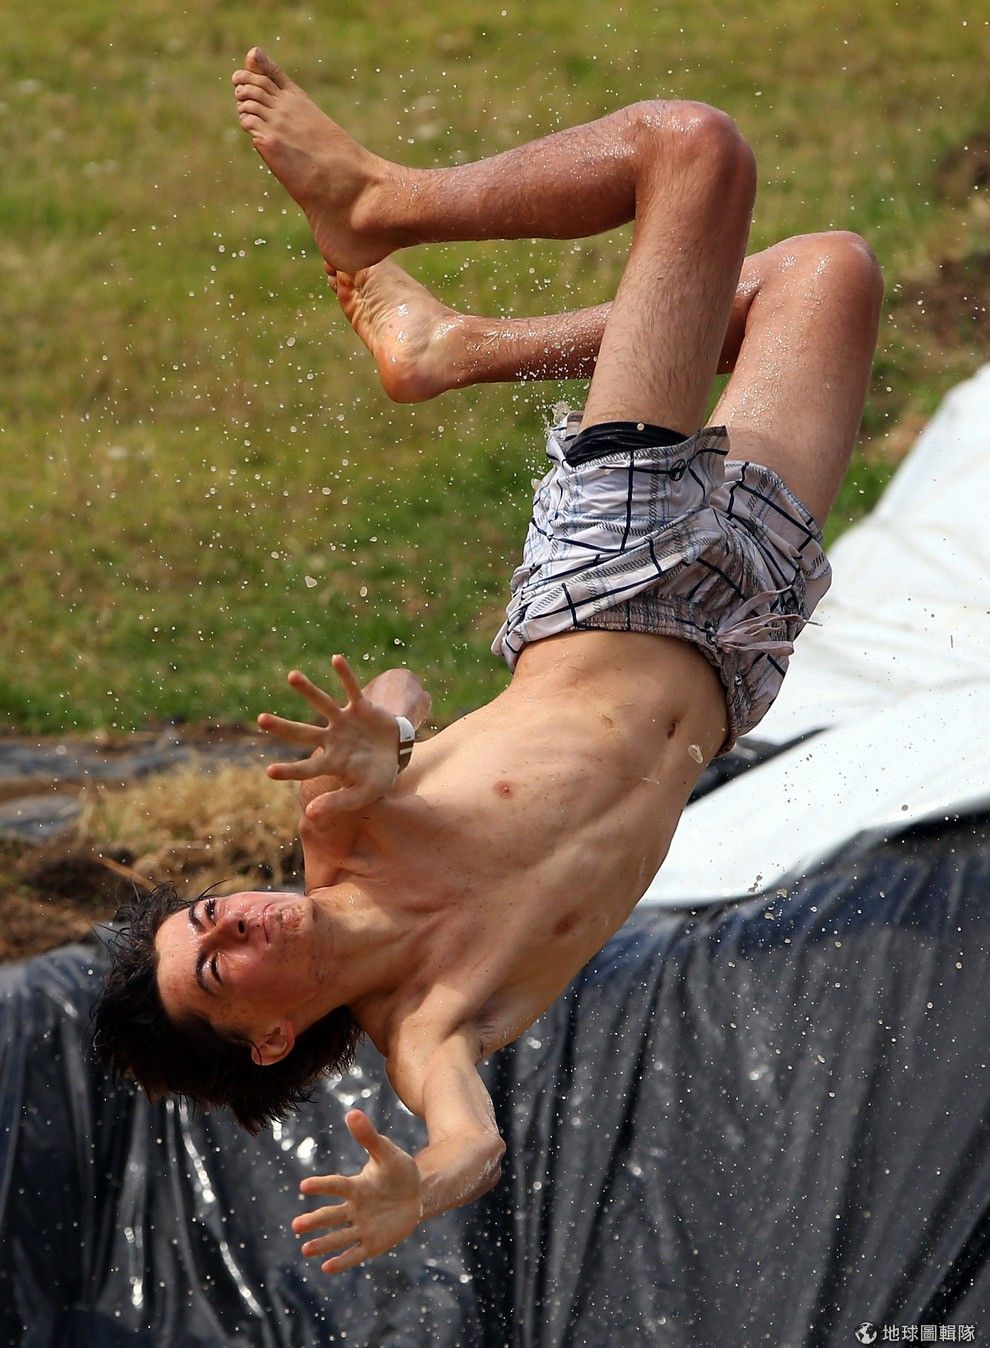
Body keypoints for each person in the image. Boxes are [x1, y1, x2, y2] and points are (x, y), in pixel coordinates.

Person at [92, 47, 883, 1276]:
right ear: (267, 1034)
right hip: (741, 636)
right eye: (217, 962)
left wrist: (390, 730)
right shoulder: (432, 1026)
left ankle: (380, 203)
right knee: (825, 272)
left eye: (208, 913)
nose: (234, 919)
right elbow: (471, 1147)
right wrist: (419, 1190)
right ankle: (451, 347)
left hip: (612, 573)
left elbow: (394, 703)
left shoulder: (341, 833)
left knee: (693, 149)